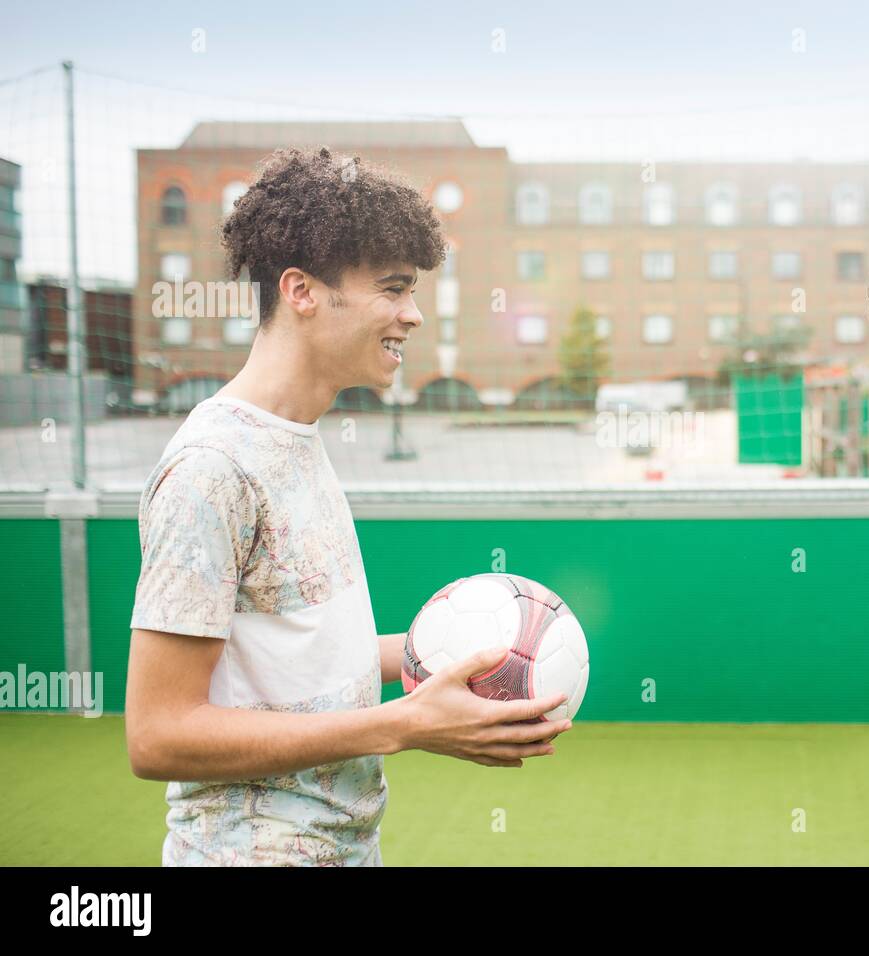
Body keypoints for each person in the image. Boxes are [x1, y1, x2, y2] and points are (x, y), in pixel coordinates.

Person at [125, 147, 569, 867]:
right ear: (301, 291)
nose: (414, 315)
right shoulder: (211, 468)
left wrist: (470, 650)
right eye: (393, 289)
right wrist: (403, 724)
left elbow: (296, 670)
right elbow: (159, 734)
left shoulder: (298, 436)